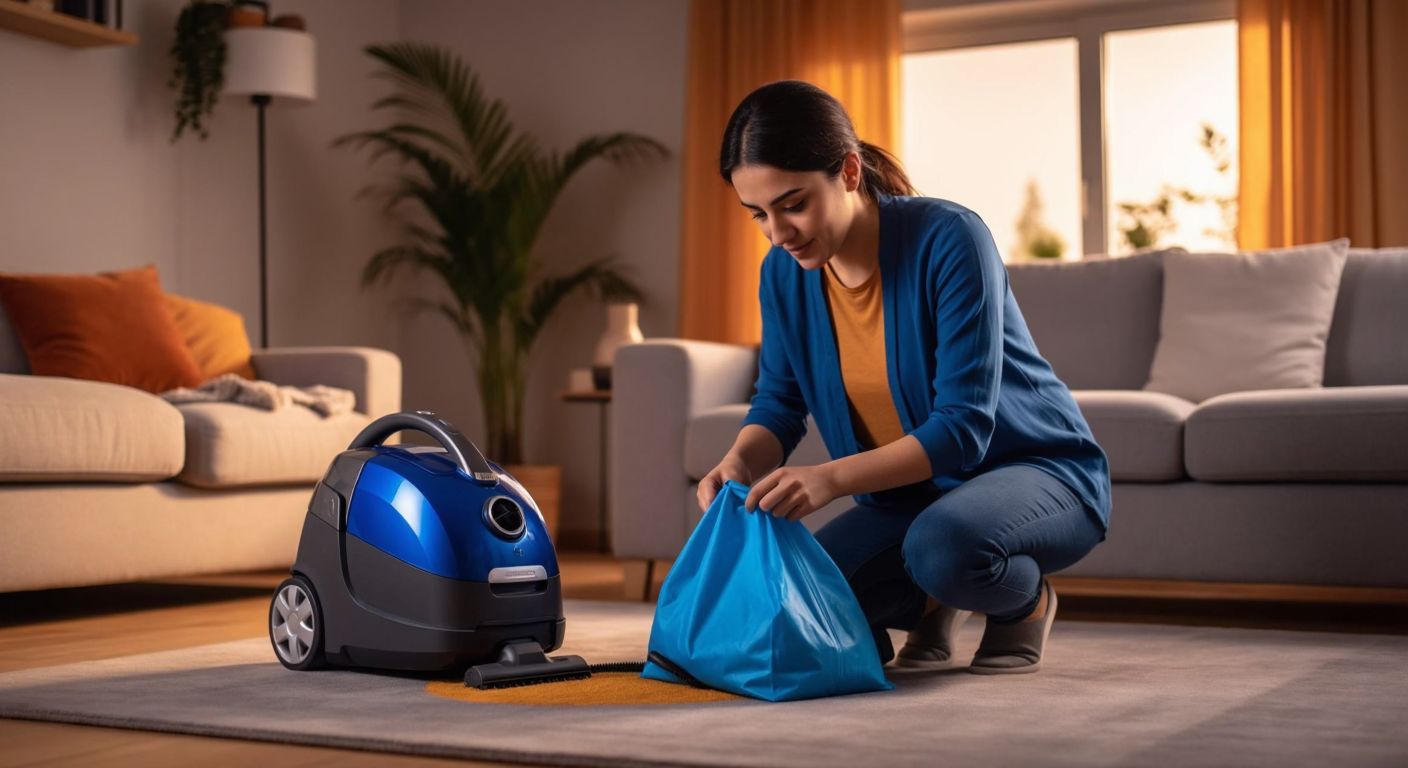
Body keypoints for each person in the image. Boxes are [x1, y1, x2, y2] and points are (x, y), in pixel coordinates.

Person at [696, 80, 1111, 674]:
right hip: (912, 500)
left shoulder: (950, 237)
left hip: (1035, 472)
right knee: (803, 592)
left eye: (793, 204)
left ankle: (1023, 601)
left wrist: (830, 479)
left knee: (942, 547)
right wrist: (738, 462)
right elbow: (779, 403)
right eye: (758, 214)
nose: (778, 233)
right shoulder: (782, 274)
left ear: (848, 171)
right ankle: (933, 607)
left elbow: (964, 430)